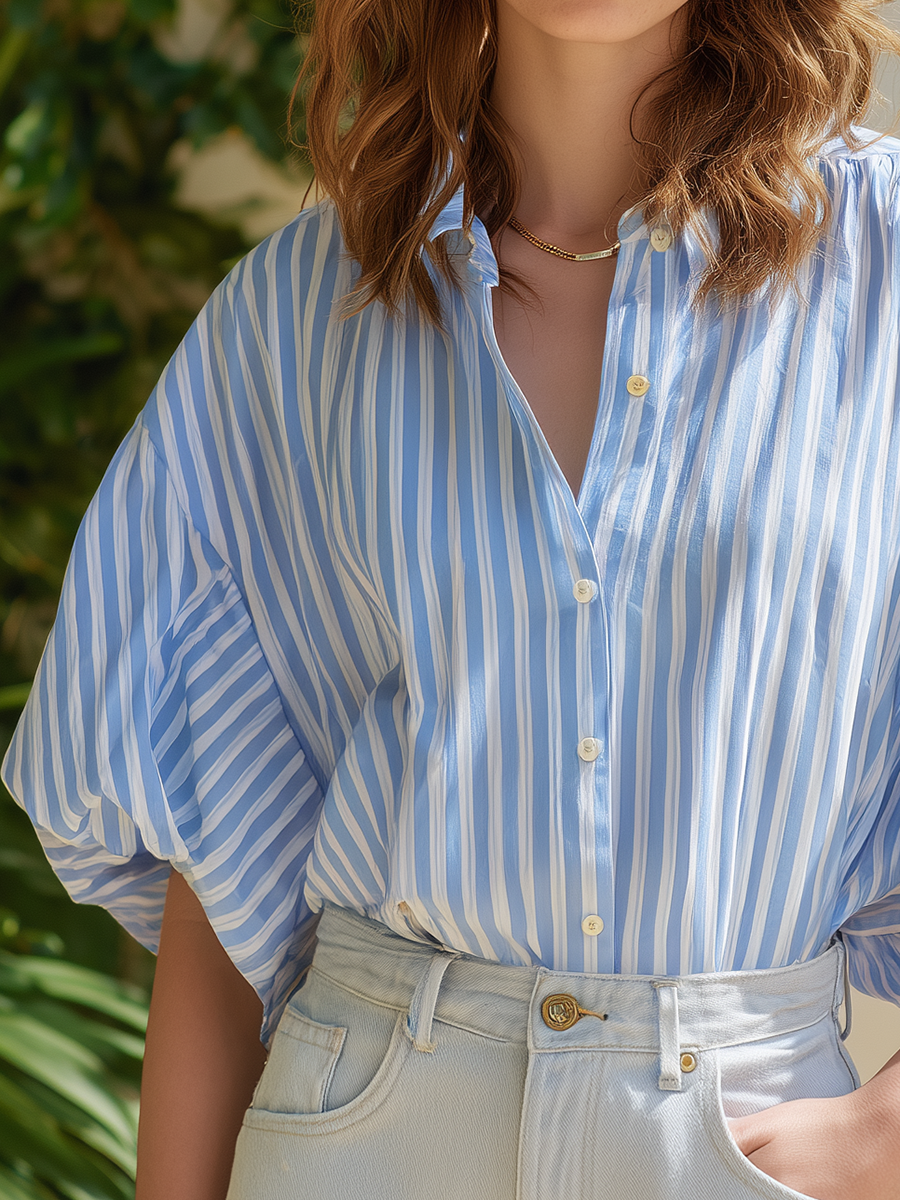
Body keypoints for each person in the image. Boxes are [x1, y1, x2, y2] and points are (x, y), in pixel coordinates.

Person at [5, 0, 900, 1196]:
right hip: (367, 1126)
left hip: (745, 1137)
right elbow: (217, 861)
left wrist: (885, 1135)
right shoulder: (299, 316)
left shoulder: (880, 269)